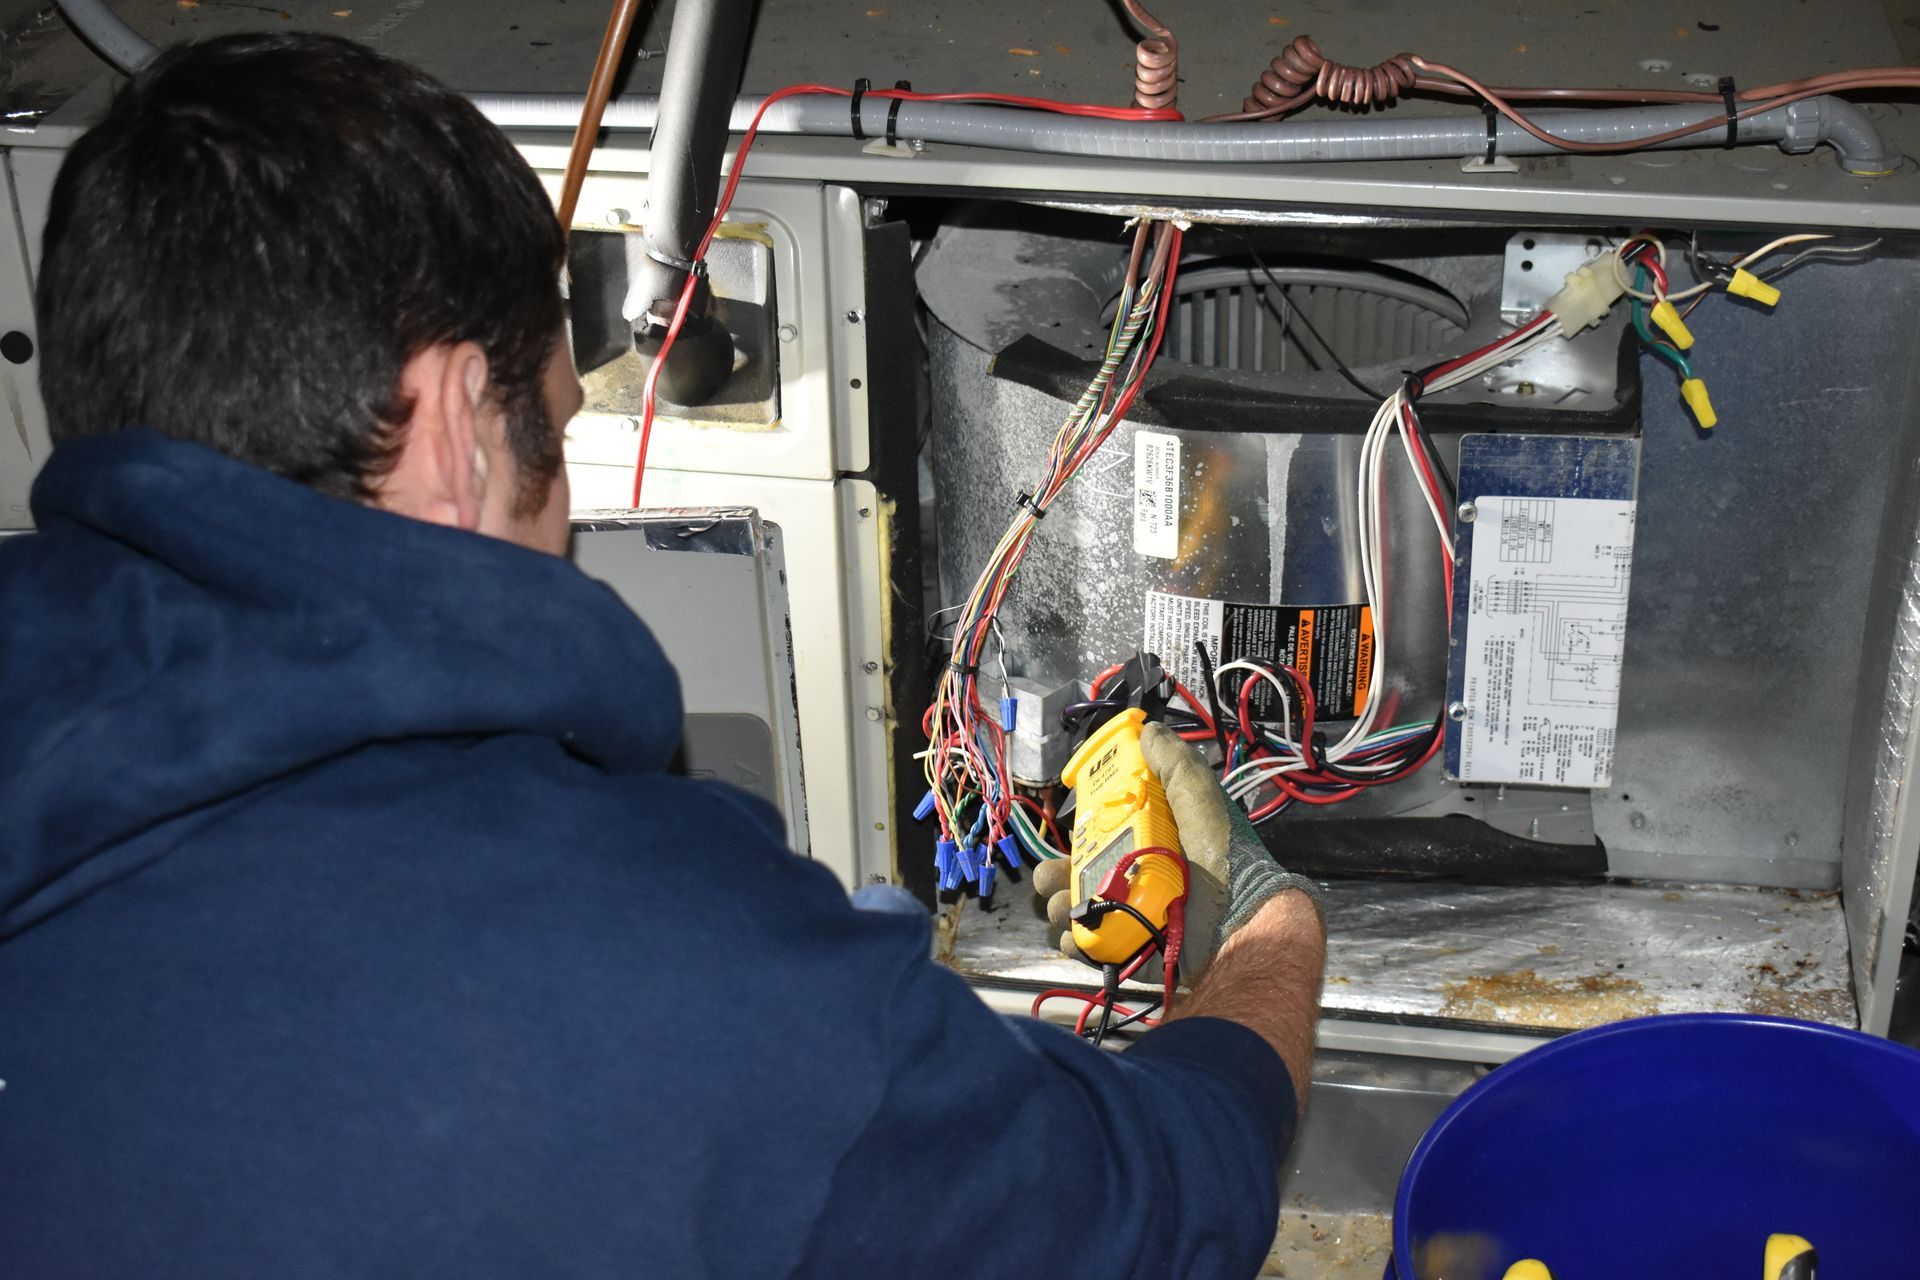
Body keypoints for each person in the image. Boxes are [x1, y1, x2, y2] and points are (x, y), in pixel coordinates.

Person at [0, 32, 1326, 1278]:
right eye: (564, 432)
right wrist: (1274, 925)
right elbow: (1155, 1197)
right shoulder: (690, 992)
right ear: (460, 420)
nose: (569, 509)